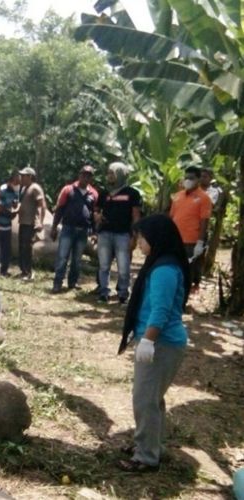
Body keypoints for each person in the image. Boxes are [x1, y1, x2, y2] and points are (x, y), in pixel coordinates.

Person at [117, 214, 190, 473]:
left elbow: (161, 310)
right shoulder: (160, 263)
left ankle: (146, 457)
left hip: (162, 343)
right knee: (153, 398)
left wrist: (148, 341)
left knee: (145, 399)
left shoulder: (164, 269)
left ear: (155, 238)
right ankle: (151, 445)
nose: (139, 243)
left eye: (142, 238)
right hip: (162, 341)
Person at [95, 162, 142, 303]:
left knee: (123, 267)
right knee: (103, 266)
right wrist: (96, 216)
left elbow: (136, 216)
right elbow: (96, 209)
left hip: (123, 235)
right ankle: (103, 293)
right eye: (108, 173)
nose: (108, 176)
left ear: (121, 175)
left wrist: (134, 236)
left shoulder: (132, 193)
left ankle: (123, 294)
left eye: (112, 173)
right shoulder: (104, 193)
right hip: (105, 233)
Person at [50, 165, 98, 293]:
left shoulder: (93, 193)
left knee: (77, 259)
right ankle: (57, 283)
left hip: (83, 231)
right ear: (79, 175)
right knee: (62, 257)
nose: (86, 177)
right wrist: (54, 227)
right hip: (68, 228)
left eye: (89, 175)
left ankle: (72, 282)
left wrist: (94, 232)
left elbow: (94, 214)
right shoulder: (68, 189)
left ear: (91, 178)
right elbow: (59, 209)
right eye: (84, 174)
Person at [169, 166, 212, 293]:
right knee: (173, 269)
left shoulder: (204, 198)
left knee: (187, 272)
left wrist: (200, 242)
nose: (188, 180)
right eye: (186, 178)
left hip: (191, 242)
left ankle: (183, 300)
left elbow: (204, 221)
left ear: (198, 179)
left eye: (191, 178)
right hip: (175, 239)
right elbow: (172, 217)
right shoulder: (177, 196)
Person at [17, 166, 46, 281]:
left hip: (30, 223)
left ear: (30, 177)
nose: (21, 178)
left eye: (23, 176)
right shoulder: (24, 188)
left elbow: (41, 205)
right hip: (23, 222)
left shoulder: (35, 188)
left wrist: (40, 222)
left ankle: (28, 273)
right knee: (22, 247)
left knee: (27, 248)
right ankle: (23, 271)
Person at [0, 170, 20, 276]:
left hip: (8, 225)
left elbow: (13, 205)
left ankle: (4, 270)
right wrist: (9, 214)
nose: (19, 183)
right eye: (17, 180)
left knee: (6, 249)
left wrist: (15, 205)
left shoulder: (16, 191)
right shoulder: (2, 190)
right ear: (12, 179)